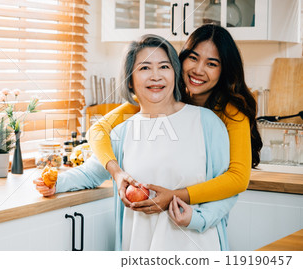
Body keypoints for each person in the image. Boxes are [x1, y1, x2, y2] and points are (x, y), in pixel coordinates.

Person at [34, 34, 237, 251]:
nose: (156, 76)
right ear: (129, 80)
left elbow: (226, 189)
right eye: (144, 68)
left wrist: (196, 218)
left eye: (164, 67)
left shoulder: (207, 123)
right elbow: (91, 173)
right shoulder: (122, 131)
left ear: (175, 73)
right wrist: (56, 183)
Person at [86, 24, 262, 213]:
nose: (198, 70)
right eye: (193, 58)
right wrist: (117, 172)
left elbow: (237, 179)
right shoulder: (162, 97)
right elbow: (97, 130)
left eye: (212, 64)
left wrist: (175, 195)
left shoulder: (230, 113)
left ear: (224, 70)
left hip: (203, 214)